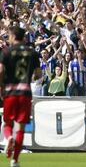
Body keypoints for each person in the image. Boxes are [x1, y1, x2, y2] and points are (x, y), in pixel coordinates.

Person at [0, 26, 42, 167]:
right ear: (23, 37)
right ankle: (15, 160)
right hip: (25, 93)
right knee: (21, 127)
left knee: (7, 123)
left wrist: (1, 88)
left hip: (10, 92)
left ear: (12, 36)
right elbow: (38, 74)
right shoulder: (32, 53)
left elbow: (0, 71)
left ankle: (9, 138)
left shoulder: (6, 52)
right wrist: (30, 76)